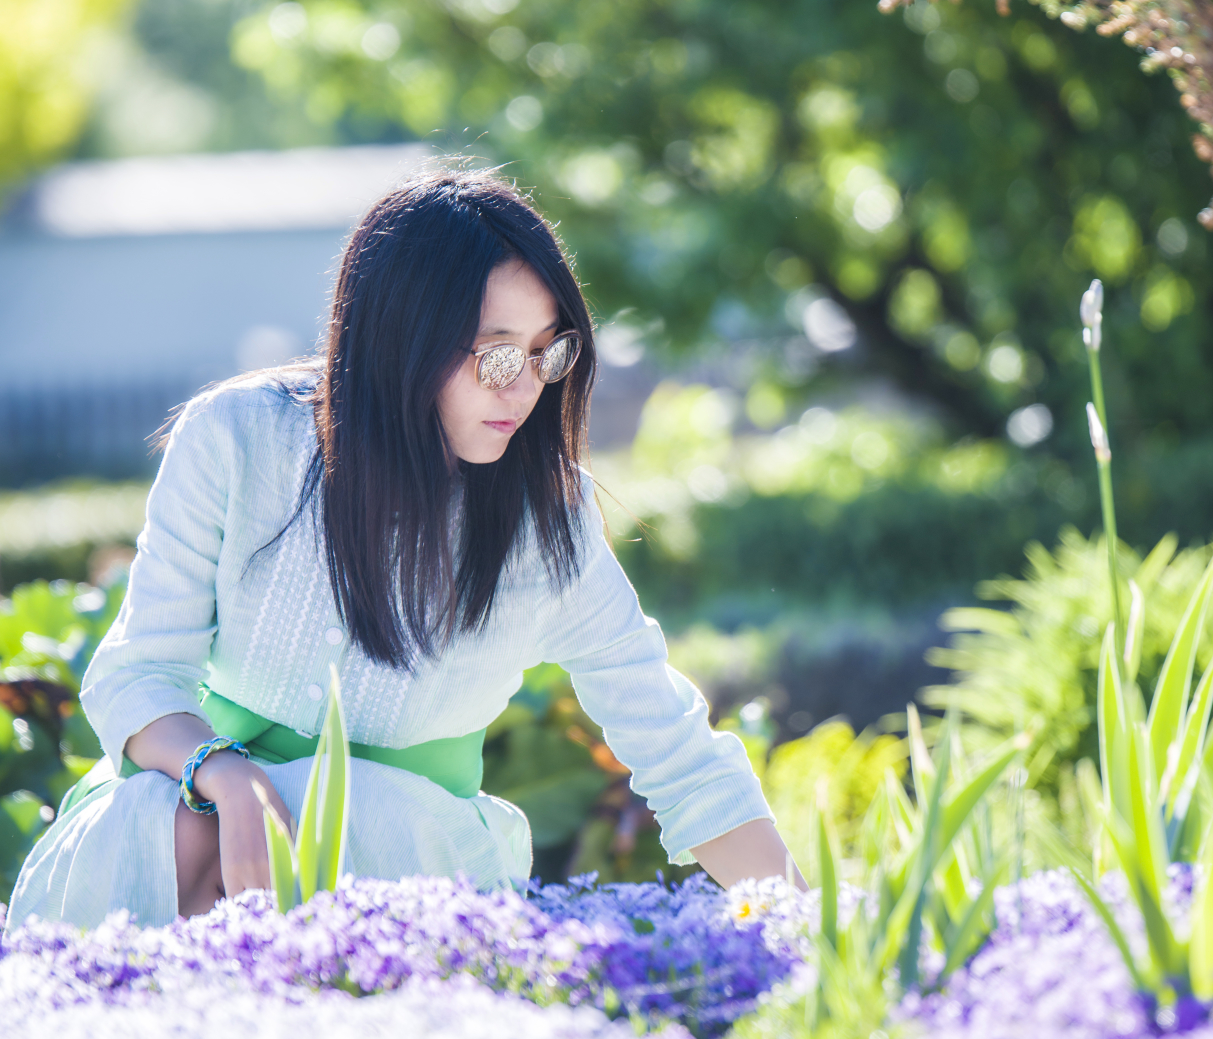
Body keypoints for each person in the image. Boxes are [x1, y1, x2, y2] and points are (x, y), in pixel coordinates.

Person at [8, 169, 792, 930]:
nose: (523, 390)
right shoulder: (240, 439)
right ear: (401, 341)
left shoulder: (547, 520)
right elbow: (138, 675)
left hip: (406, 861)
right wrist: (228, 775)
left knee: (354, 815)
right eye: (495, 355)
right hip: (198, 828)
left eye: (548, 353)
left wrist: (812, 929)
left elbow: (677, 752)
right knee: (175, 822)